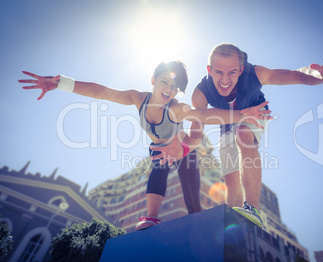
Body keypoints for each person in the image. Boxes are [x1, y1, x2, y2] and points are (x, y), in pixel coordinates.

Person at [18, 61, 272, 230]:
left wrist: (242, 115)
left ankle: (196, 222)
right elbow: (102, 91)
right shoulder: (137, 98)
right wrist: (61, 82)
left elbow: (204, 116)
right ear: (153, 80)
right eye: (164, 82)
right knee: (158, 160)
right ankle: (151, 216)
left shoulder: (177, 109)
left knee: (192, 203)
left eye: (174, 87)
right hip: (161, 150)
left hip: (184, 151)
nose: (168, 90)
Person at [150, 37, 323, 229]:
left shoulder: (255, 74)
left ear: (241, 70)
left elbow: (295, 75)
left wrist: (321, 75)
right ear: (209, 71)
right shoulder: (201, 93)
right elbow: (196, 134)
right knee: (231, 180)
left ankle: (252, 210)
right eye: (218, 72)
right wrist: (183, 146)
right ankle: (235, 223)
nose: (225, 80)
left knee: (243, 135)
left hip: (255, 115)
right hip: (226, 126)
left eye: (232, 72)